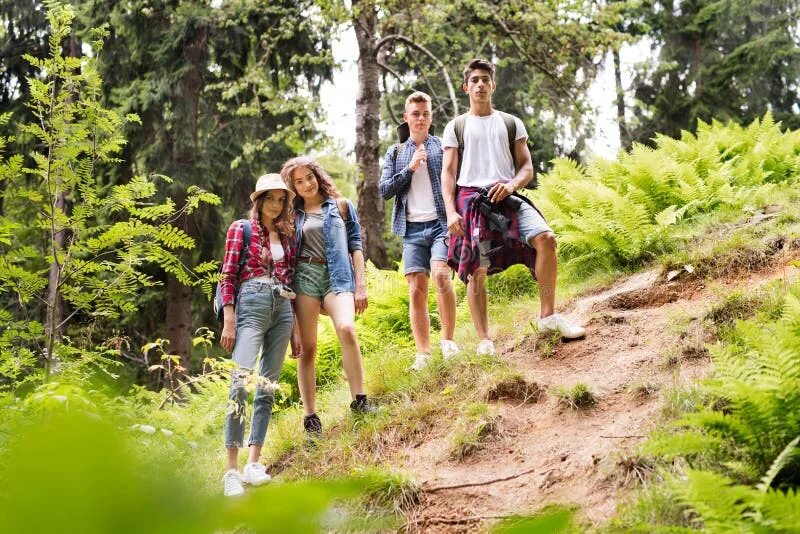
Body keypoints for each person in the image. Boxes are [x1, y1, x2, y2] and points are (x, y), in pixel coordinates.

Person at [441, 59, 585, 357]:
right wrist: (450, 211)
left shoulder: (510, 123)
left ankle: (548, 318)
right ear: (465, 86)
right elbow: (448, 174)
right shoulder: (456, 126)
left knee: (546, 238)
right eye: (475, 80)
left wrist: (511, 185)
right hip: (471, 201)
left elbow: (527, 168)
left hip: (507, 196)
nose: (480, 84)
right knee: (476, 267)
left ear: (493, 85)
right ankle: (484, 341)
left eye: (485, 80)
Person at [280, 156, 375, 441]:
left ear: (317, 175)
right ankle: (311, 419)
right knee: (308, 349)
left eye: (309, 177)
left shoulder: (342, 206)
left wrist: (361, 286)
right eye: (298, 181)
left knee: (347, 328)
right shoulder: (291, 216)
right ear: (292, 187)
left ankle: (360, 401)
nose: (306, 184)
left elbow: (356, 247)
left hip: (338, 277)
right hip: (305, 280)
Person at [219, 173, 297, 497]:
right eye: (270, 198)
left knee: (267, 385)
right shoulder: (242, 228)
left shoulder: (287, 235)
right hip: (249, 304)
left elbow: (291, 282)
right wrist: (229, 319)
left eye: (281, 199)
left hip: (283, 310)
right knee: (240, 382)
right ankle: (231, 471)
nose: (276, 205)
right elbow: (227, 273)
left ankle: (254, 463)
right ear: (259, 200)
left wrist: (295, 334)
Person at [379, 91, 460, 371]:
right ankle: (423, 354)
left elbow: (457, 183)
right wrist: (410, 169)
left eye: (425, 113)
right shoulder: (396, 152)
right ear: (406, 118)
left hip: (440, 224)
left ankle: (448, 342)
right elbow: (385, 190)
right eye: (415, 114)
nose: (421, 118)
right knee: (416, 290)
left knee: (440, 275)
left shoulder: (443, 147)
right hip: (411, 228)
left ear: (431, 116)